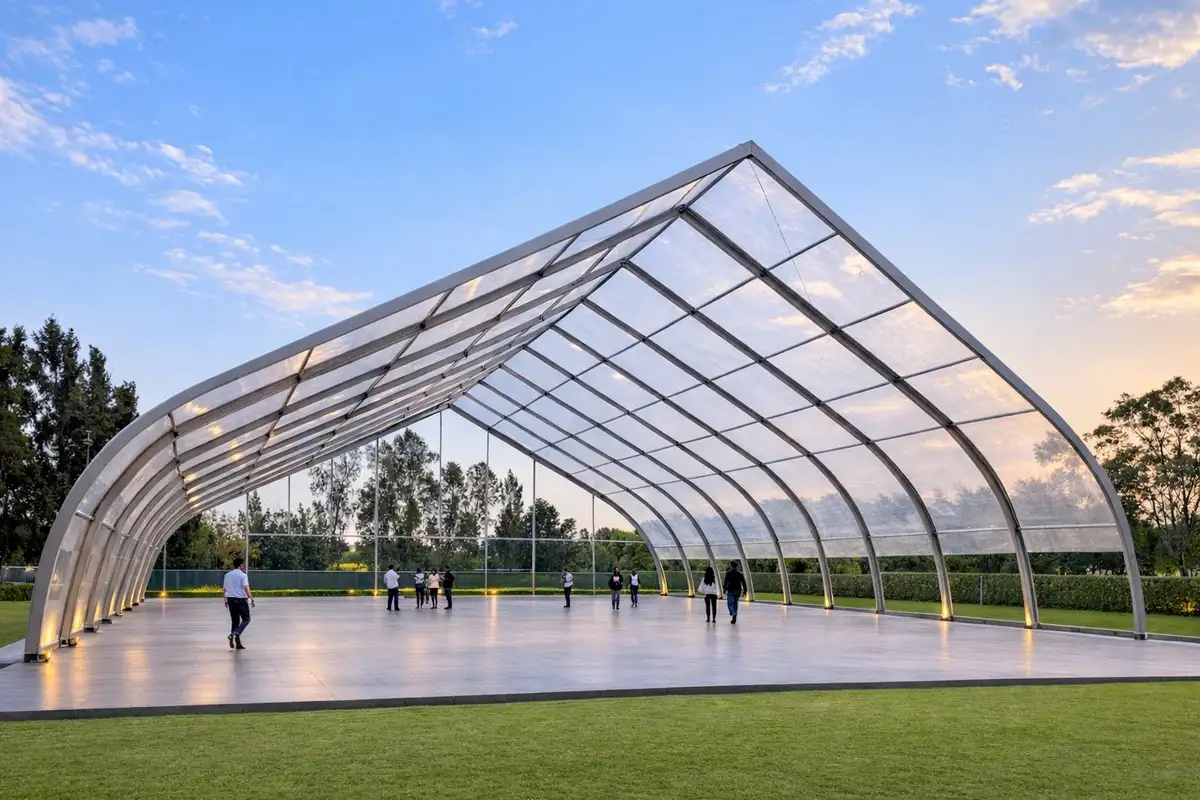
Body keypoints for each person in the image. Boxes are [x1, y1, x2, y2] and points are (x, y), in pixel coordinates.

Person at [222, 556, 254, 649]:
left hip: (231, 600)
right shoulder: (243, 575)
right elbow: (246, 587)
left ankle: (236, 640)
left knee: (235, 621)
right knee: (246, 619)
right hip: (241, 600)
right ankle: (236, 632)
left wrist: (225, 600)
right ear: (241, 565)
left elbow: (225, 589)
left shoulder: (227, 575)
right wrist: (251, 598)